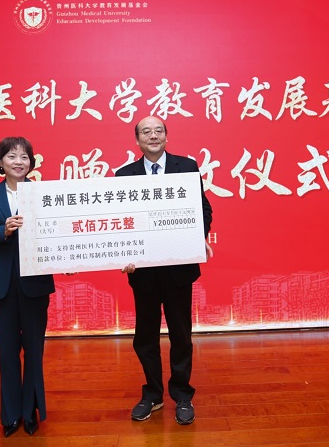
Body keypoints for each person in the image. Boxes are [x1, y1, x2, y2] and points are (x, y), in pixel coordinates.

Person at [117, 115, 213, 425]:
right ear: (137, 141)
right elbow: (120, 221)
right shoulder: (124, 176)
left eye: (158, 130)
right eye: (146, 132)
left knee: (181, 334)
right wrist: (123, 252)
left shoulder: (186, 167)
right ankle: (153, 394)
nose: (153, 135)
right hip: (143, 271)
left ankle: (182, 394)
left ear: (166, 136)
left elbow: (203, 208)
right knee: (145, 336)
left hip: (178, 268)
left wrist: (198, 237)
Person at [0, 137, 55, 437]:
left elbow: (56, 234)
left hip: (35, 280)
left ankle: (30, 412)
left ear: (31, 162)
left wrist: (66, 258)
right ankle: (10, 415)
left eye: (24, 156)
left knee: (34, 350)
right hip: (3, 282)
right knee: (7, 351)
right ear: (0, 162)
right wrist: (3, 230)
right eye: (11, 156)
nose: (18, 161)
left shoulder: (42, 193)